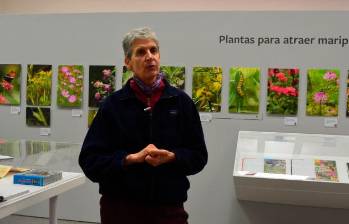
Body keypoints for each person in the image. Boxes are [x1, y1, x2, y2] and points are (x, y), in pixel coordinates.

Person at [79, 27, 208, 224]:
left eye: (153, 50)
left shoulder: (181, 102)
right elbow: (90, 161)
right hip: (120, 210)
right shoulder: (112, 106)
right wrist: (129, 159)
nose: (149, 56)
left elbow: (198, 156)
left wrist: (172, 157)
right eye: (141, 52)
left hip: (169, 210)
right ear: (127, 62)